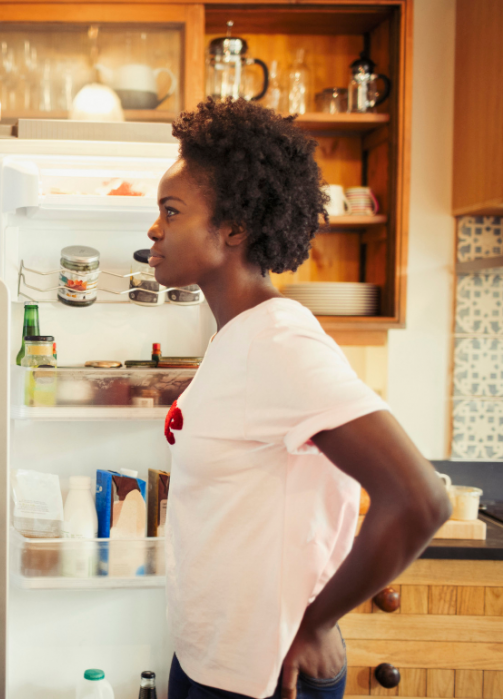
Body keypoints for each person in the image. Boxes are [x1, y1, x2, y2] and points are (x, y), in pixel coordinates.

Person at [151, 99, 452, 699]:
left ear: (234, 228)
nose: (155, 230)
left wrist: (315, 623)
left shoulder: (279, 342)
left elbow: (421, 498)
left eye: (171, 212)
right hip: (213, 659)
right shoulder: (237, 337)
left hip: (265, 676)